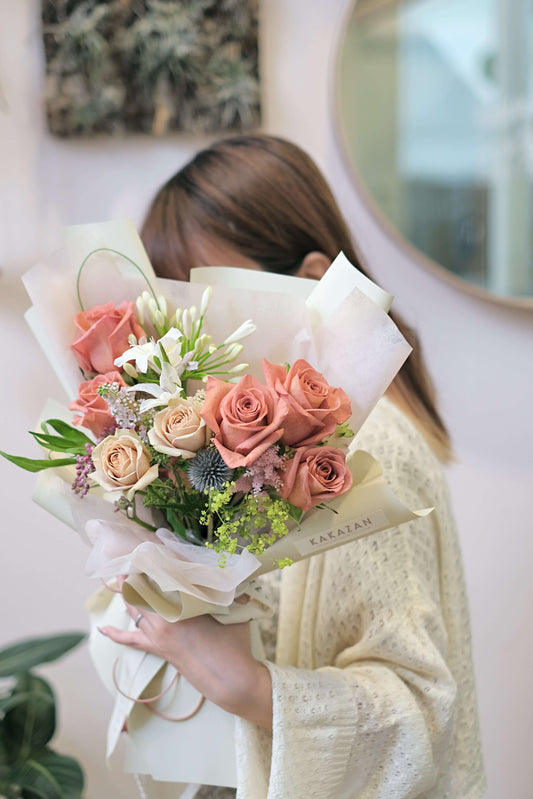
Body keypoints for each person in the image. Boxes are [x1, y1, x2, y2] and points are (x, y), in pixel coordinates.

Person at [99, 135, 485, 799]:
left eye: (203, 304)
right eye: (169, 311)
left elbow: (421, 715)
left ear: (311, 282)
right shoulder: (224, 454)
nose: (183, 344)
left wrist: (251, 688)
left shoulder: (373, 447)